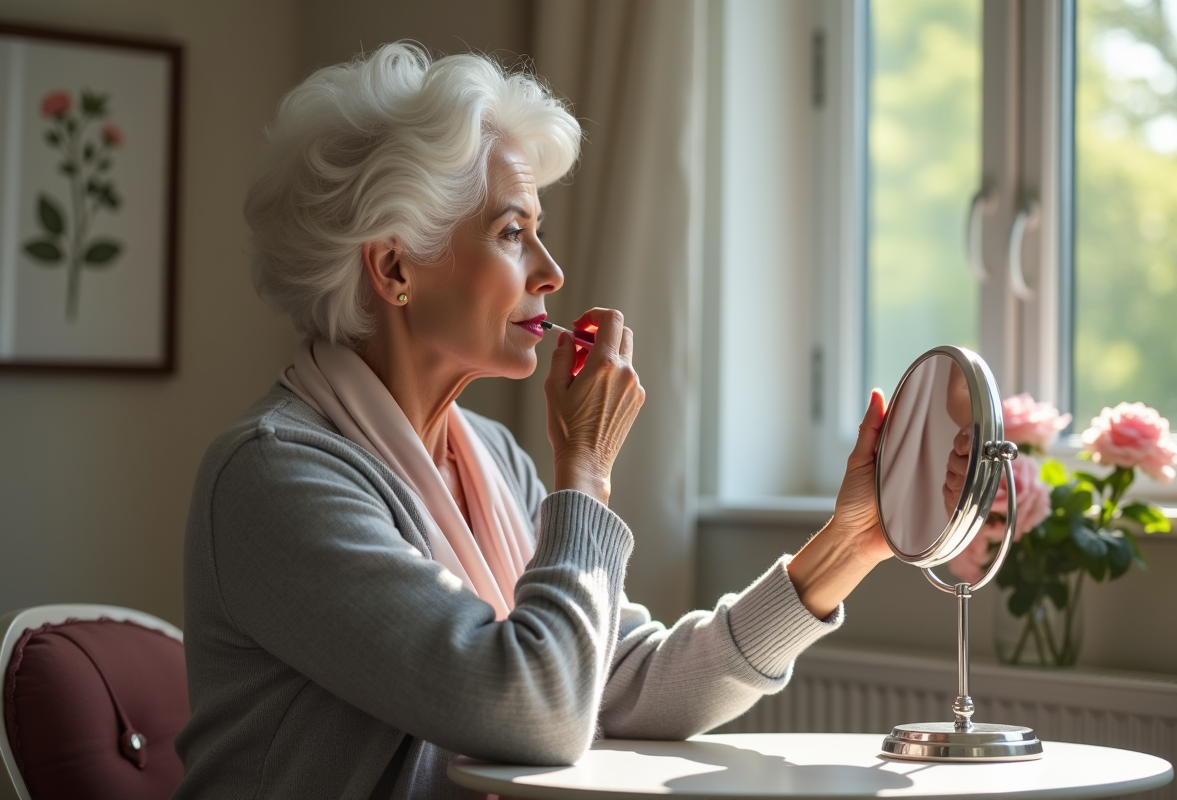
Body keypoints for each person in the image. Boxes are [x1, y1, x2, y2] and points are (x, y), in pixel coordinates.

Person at [173, 43, 892, 800]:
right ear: (393, 269)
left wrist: (850, 542)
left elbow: (624, 680)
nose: (550, 271)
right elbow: (534, 712)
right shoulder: (274, 474)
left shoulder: (490, 457)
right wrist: (586, 471)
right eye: (512, 233)